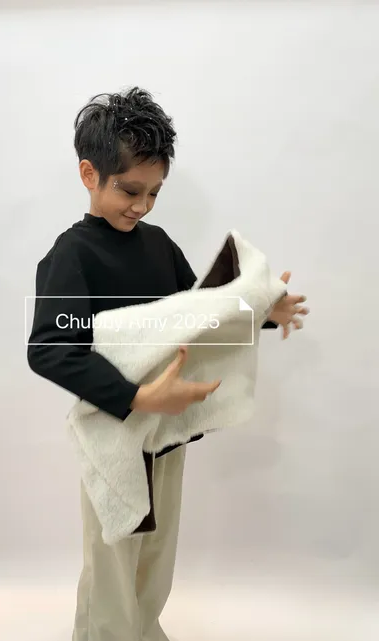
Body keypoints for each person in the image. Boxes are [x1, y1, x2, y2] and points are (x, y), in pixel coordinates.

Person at [27, 87, 308, 641]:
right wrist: (136, 397)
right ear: (89, 174)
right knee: (113, 560)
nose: (142, 205)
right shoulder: (72, 255)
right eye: (130, 190)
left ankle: (144, 628)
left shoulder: (158, 245)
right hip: (113, 434)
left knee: (155, 555)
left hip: (166, 434)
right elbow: (51, 347)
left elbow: (199, 315)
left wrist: (259, 311)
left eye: (154, 192)